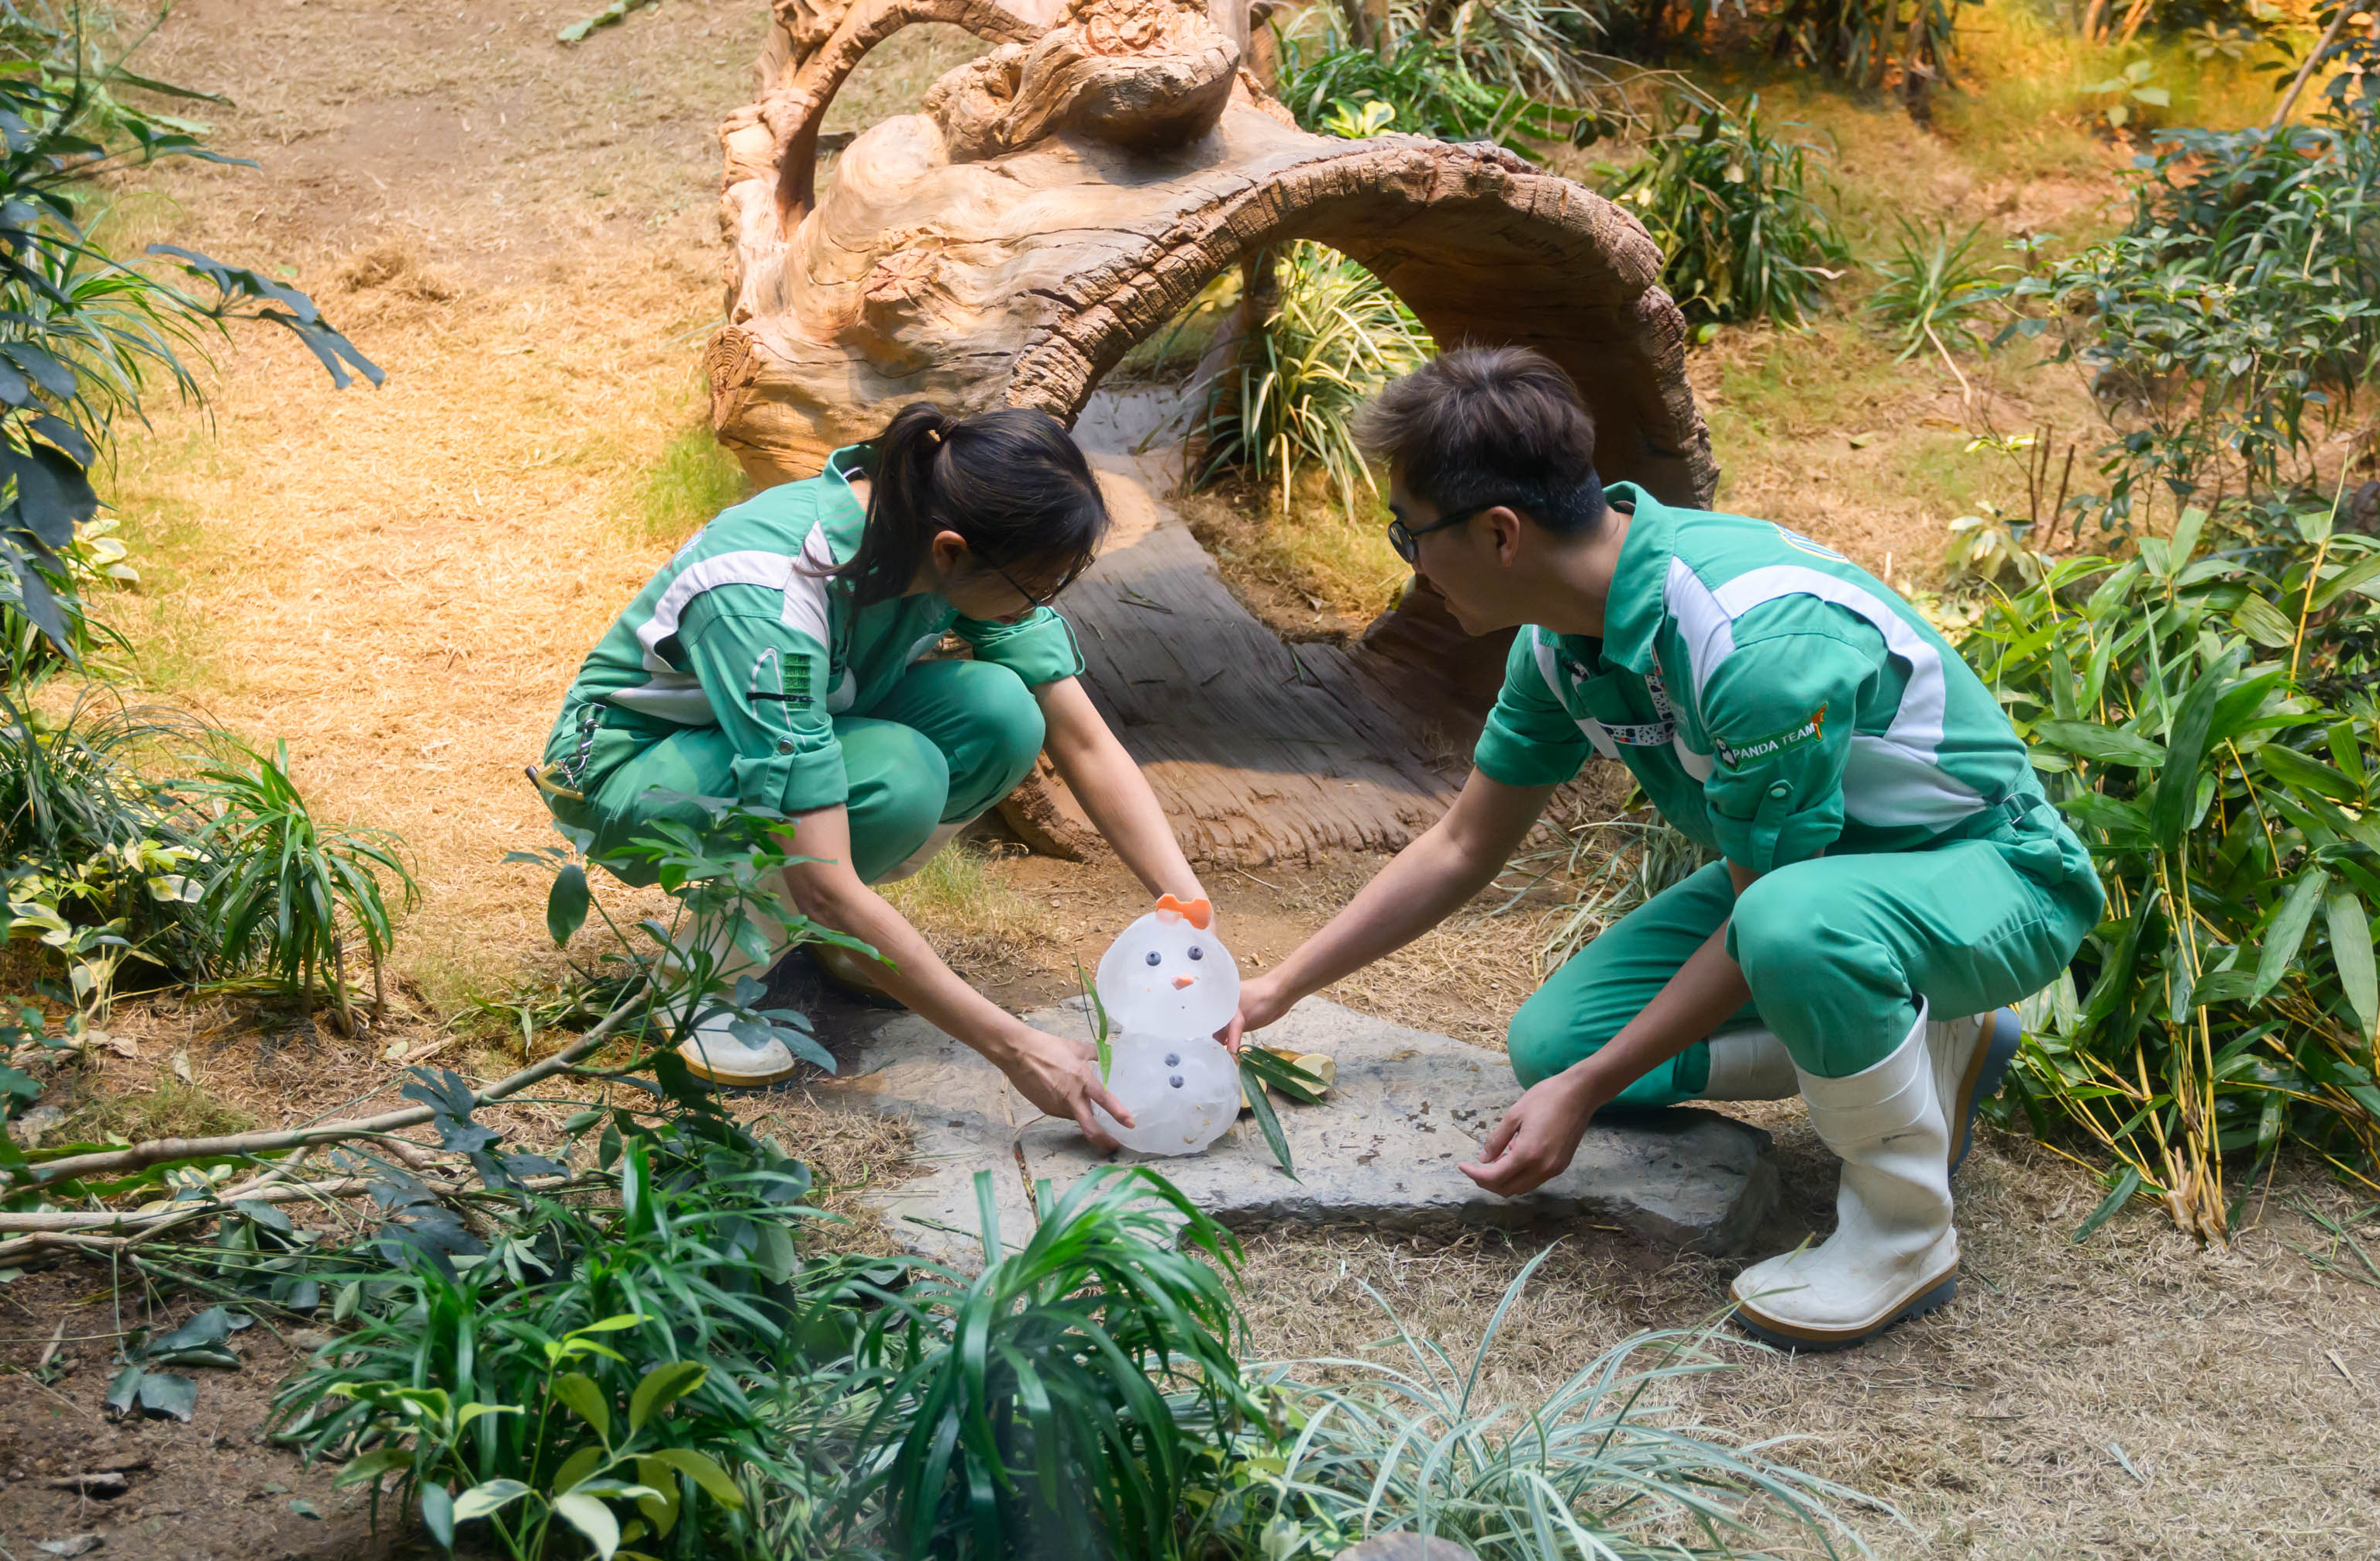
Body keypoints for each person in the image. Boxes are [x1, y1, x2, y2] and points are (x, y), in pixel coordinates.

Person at [1226, 346, 2103, 1350]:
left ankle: (1902, 1232)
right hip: (1823, 883)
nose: (1410, 565)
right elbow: (1462, 844)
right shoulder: (1559, 647)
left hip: (1994, 873)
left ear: (1499, 531)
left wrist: (1588, 1094)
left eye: (1408, 534)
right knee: (1555, 1049)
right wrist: (1275, 990)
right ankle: (1922, 1037)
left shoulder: (1750, 646)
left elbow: (1772, 901)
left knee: (1781, 930)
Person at [539, 402, 1207, 1145]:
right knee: (897, 779)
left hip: (771, 727)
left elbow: (1080, 739)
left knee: (1002, 716)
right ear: (952, 553)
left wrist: (1191, 914)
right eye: (1034, 588)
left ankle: (833, 939)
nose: (1039, 604)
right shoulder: (772, 595)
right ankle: (699, 980)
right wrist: (1019, 1048)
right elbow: (822, 881)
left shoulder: (933, 524)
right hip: (625, 768)